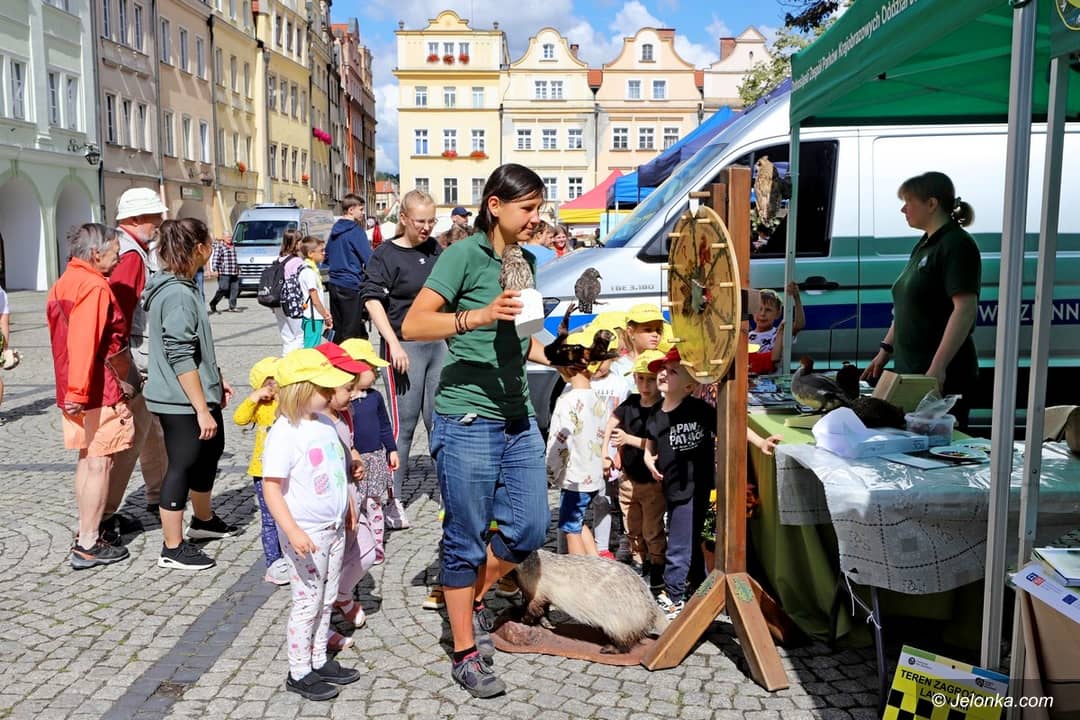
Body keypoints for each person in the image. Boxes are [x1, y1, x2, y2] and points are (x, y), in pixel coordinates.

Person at [401, 163, 553, 698]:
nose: (536, 218)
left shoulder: (525, 260)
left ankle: (470, 596)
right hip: (467, 415)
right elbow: (414, 324)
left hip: (517, 414)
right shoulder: (462, 255)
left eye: (538, 208)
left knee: (530, 527)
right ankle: (466, 651)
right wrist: (478, 316)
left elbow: (524, 337)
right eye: (527, 208)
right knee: (465, 537)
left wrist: (563, 354)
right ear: (495, 205)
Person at [259, 348, 363, 701]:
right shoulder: (284, 433)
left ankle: (319, 658)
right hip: (307, 532)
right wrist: (291, 530)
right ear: (302, 390)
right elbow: (272, 488)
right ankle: (299, 669)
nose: (332, 393)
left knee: (327, 596)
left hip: (333, 527)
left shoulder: (325, 424)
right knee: (307, 601)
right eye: (324, 388)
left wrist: (347, 503)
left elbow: (335, 471)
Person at [144, 218, 237, 571]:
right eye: (210, 243)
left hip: (195, 393)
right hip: (179, 400)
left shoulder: (184, 286)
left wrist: (216, 380)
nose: (213, 249)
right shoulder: (179, 295)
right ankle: (172, 547)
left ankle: (203, 521)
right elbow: (180, 354)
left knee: (209, 453)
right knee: (182, 465)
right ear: (199, 248)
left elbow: (198, 349)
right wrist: (201, 408)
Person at [863, 172, 981, 428]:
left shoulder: (957, 244)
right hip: (913, 371)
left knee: (939, 446)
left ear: (931, 204)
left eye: (908, 201)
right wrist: (884, 351)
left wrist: (938, 368)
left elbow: (965, 310)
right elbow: (907, 306)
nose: (903, 209)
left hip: (940, 374)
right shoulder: (925, 245)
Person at [46, 223, 134, 569]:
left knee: (87, 459)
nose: (119, 259)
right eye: (115, 252)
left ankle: (86, 533)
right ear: (96, 254)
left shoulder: (64, 282)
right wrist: (80, 391)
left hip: (74, 383)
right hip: (97, 387)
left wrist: (72, 389)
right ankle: (88, 541)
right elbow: (85, 341)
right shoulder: (94, 286)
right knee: (100, 461)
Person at [361, 189, 445, 530]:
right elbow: (372, 300)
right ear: (405, 219)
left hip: (438, 345)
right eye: (420, 221)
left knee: (440, 422)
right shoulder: (385, 254)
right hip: (403, 347)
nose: (426, 228)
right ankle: (391, 499)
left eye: (431, 221)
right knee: (403, 427)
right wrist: (393, 343)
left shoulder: (436, 250)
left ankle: (450, 495)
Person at [312, 342, 378, 653]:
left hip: (349, 498)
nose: (353, 394)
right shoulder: (316, 423)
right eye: (347, 388)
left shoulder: (341, 414)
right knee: (322, 573)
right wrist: (347, 502)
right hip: (332, 507)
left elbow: (347, 448)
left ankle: (342, 596)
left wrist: (355, 457)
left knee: (366, 550)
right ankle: (320, 631)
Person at [107, 187, 168, 519]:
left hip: (136, 355)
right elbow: (119, 313)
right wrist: (124, 365)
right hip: (134, 357)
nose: (158, 222)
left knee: (150, 431)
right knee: (131, 437)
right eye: (154, 216)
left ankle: (159, 493)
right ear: (136, 218)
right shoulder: (130, 255)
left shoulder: (132, 249)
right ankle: (103, 515)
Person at [643, 347, 716, 620]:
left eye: (672, 371)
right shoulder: (656, 412)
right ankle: (701, 592)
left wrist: (760, 442)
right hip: (672, 486)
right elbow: (651, 440)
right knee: (690, 540)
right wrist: (648, 456)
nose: (664, 373)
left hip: (696, 485)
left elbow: (731, 427)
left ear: (689, 386)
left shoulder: (699, 409)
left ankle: (673, 597)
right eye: (663, 369)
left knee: (678, 544)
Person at [606, 349, 666, 590]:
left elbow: (656, 443)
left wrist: (627, 439)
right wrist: (607, 453)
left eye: (651, 379)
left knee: (652, 529)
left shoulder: (662, 408)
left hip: (652, 481)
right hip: (629, 478)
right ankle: (639, 562)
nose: (645, 385)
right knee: (632, 526)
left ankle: (658, 566)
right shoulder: (630, 403)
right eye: (641, 378)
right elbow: (611, 422)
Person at [545, 328, 609, 556]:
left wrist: (550, 472)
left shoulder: (567, 401)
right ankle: (596, 563)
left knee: (570, 527)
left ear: (566, 369)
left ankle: (580, 570)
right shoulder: (599, 399)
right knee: (578, 521)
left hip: (575, 477)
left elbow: (559, 443)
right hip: (593, 475)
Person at [233, 356, 290, 585]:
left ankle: (291, 554)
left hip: (287, 468)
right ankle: (274, 562)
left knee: (289, 513)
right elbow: (239, 419)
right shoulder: (260, 406)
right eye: (269, 382)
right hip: (263, 470)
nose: (274, 387)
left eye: (277, 381)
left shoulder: (287, 403)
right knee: (269, 518)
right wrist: (253, 398)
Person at [326, 193, 372, 340]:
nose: (363, 213)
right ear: (351, 210)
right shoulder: (355, 231)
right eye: (361, 209)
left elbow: (327, 256)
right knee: (352, 330)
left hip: (334, 283)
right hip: (351, 284)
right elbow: (369, 259)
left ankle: (337, 353)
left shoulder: (334, 230)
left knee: (338, 328)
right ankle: (350, 354)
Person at [748, 283, 805, 375]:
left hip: (774, 381)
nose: (762, 314)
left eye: (768, 310)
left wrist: (796, 297)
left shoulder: (780, 332)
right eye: (759, 309)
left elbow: (799, 325)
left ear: (778, 314)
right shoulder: (746, 337)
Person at [272, 229, 306, 354]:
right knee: (299, 335)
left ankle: (285, 359)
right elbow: (302, 283)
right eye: (301, 241)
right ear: (296, 243)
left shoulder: (279, 259)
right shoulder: (297, 261)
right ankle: (297, 361)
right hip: (293, 302)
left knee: (287, 337)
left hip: (278, 301)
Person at [298, 236, 332, 348]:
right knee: (311, 349)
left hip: (314, 315)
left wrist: (325, 311)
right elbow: (315, 299)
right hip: (313, 317)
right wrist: (325, 316)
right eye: (321, 251)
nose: (324, 253)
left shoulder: (310, 269)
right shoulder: (309, 272)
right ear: (311, 253)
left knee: (312, 347)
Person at [208, 234, 240, 313]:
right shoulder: (220, 246)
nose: (230, 238)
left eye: (230, 237)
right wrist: (215, 269)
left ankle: (232, 307)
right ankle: (213, 303)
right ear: (223, 238)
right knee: (223, 288)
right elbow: (215, 258)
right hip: (224, 271)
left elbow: (235, 259)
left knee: (235, 289)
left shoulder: (233, 246)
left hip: (234, 271)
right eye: (228, 237)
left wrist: (238, 268)